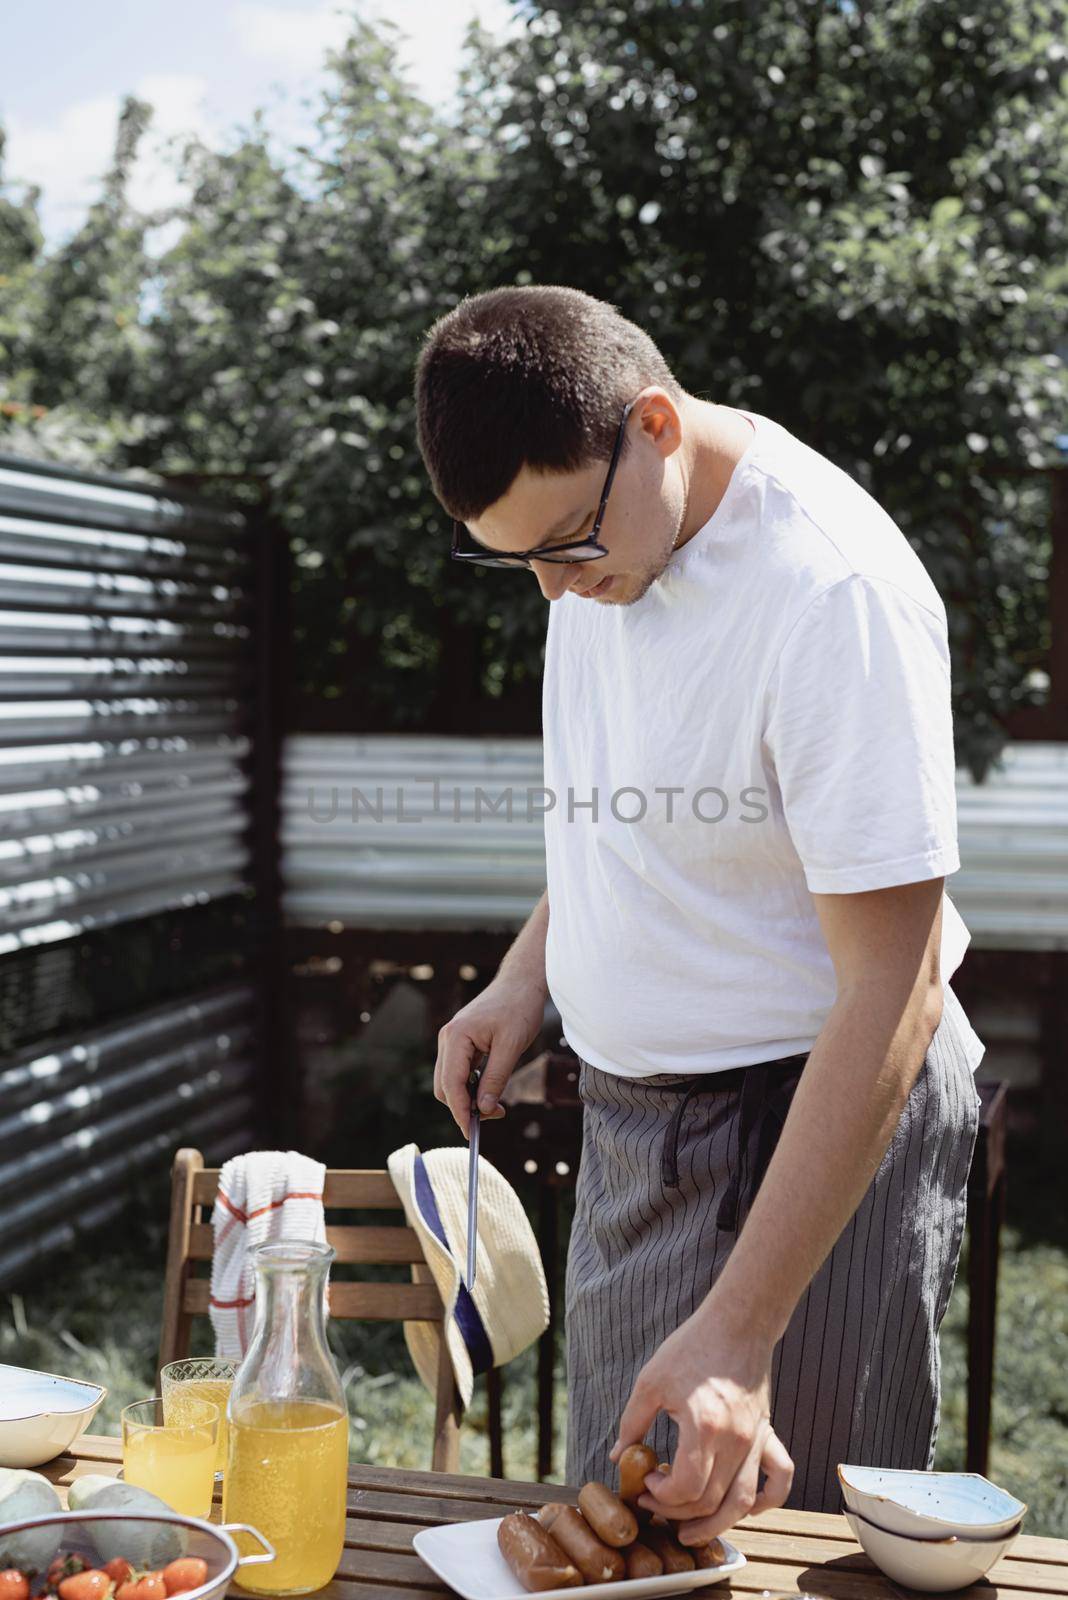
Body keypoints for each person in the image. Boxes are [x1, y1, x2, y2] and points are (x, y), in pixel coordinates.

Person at [415, 284, 985, 1545]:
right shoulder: (608, 549)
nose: (554, 593)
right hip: (635, 1132)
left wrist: (743, 1325)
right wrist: (530, 973)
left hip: (812, 1126)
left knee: (785, 1549)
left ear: (657, 426)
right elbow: (646, 809)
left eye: (563, 545)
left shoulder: (832, 592)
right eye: (516, 563)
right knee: (616, 1546)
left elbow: (896, 992)